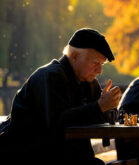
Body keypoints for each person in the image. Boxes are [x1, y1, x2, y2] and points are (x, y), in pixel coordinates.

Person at [0, 28, 121, 165]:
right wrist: (99, 106)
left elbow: (97, 116)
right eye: (96, 63)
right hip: (28, 154)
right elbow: (57, 123)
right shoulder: (50, 76)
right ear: (74, 56)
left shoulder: (89, 83)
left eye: (101, 65)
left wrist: (109, 107)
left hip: (63, 154)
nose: (99, 70)